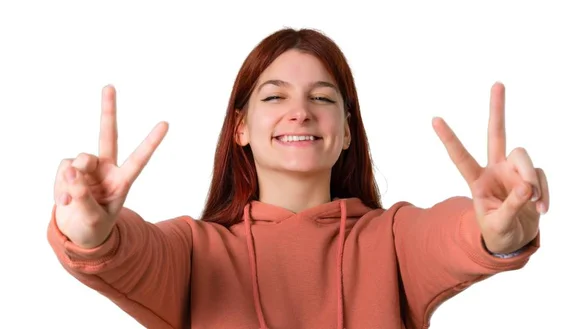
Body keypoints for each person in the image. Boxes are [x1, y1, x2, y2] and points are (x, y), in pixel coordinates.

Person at [47, 28, 549, 329]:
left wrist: (497, 232)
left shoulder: (391, 241)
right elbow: (131, 255)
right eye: (274, 96)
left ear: (348, 132)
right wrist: (91, 233)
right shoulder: (195, 252)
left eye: (323, 98)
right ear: (240, 127)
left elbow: (449, 237)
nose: (301, 113)